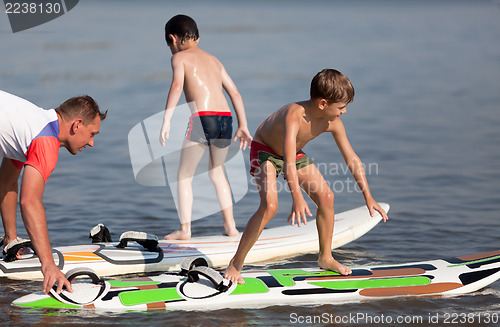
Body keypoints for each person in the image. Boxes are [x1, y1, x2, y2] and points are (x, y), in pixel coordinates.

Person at [224, 69, 389, 284]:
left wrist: (368, 196)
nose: (344, 112)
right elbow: (289, 163)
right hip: (265, 150)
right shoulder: (294, 116)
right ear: (322, 104)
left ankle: (326, 258)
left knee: (327, 198)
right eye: (341, 107)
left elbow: (352, 159)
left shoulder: (333, 123)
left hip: (292, 153)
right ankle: (235, 263)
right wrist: (297, 197)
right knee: (270, 206)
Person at [0, 90, 107, 294]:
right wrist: (48, 265)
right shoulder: (45, 140)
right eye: (92, 134)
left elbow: (6, 183)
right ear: (76, 125)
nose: (92, 142)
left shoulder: (30, 127)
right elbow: (29, 201)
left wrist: (11, 239)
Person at [159, 14, 252, 240]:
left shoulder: (179, 58)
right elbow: (235, 93)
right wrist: (243, 125)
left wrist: (167, 119)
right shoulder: (215, 60)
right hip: (226, 120)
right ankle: (231, 227)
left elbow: (177, 86)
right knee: (218, 173)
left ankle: (185, 229)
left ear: (173, 39)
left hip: (203, 119)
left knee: (183, 176)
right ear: (197, 38)